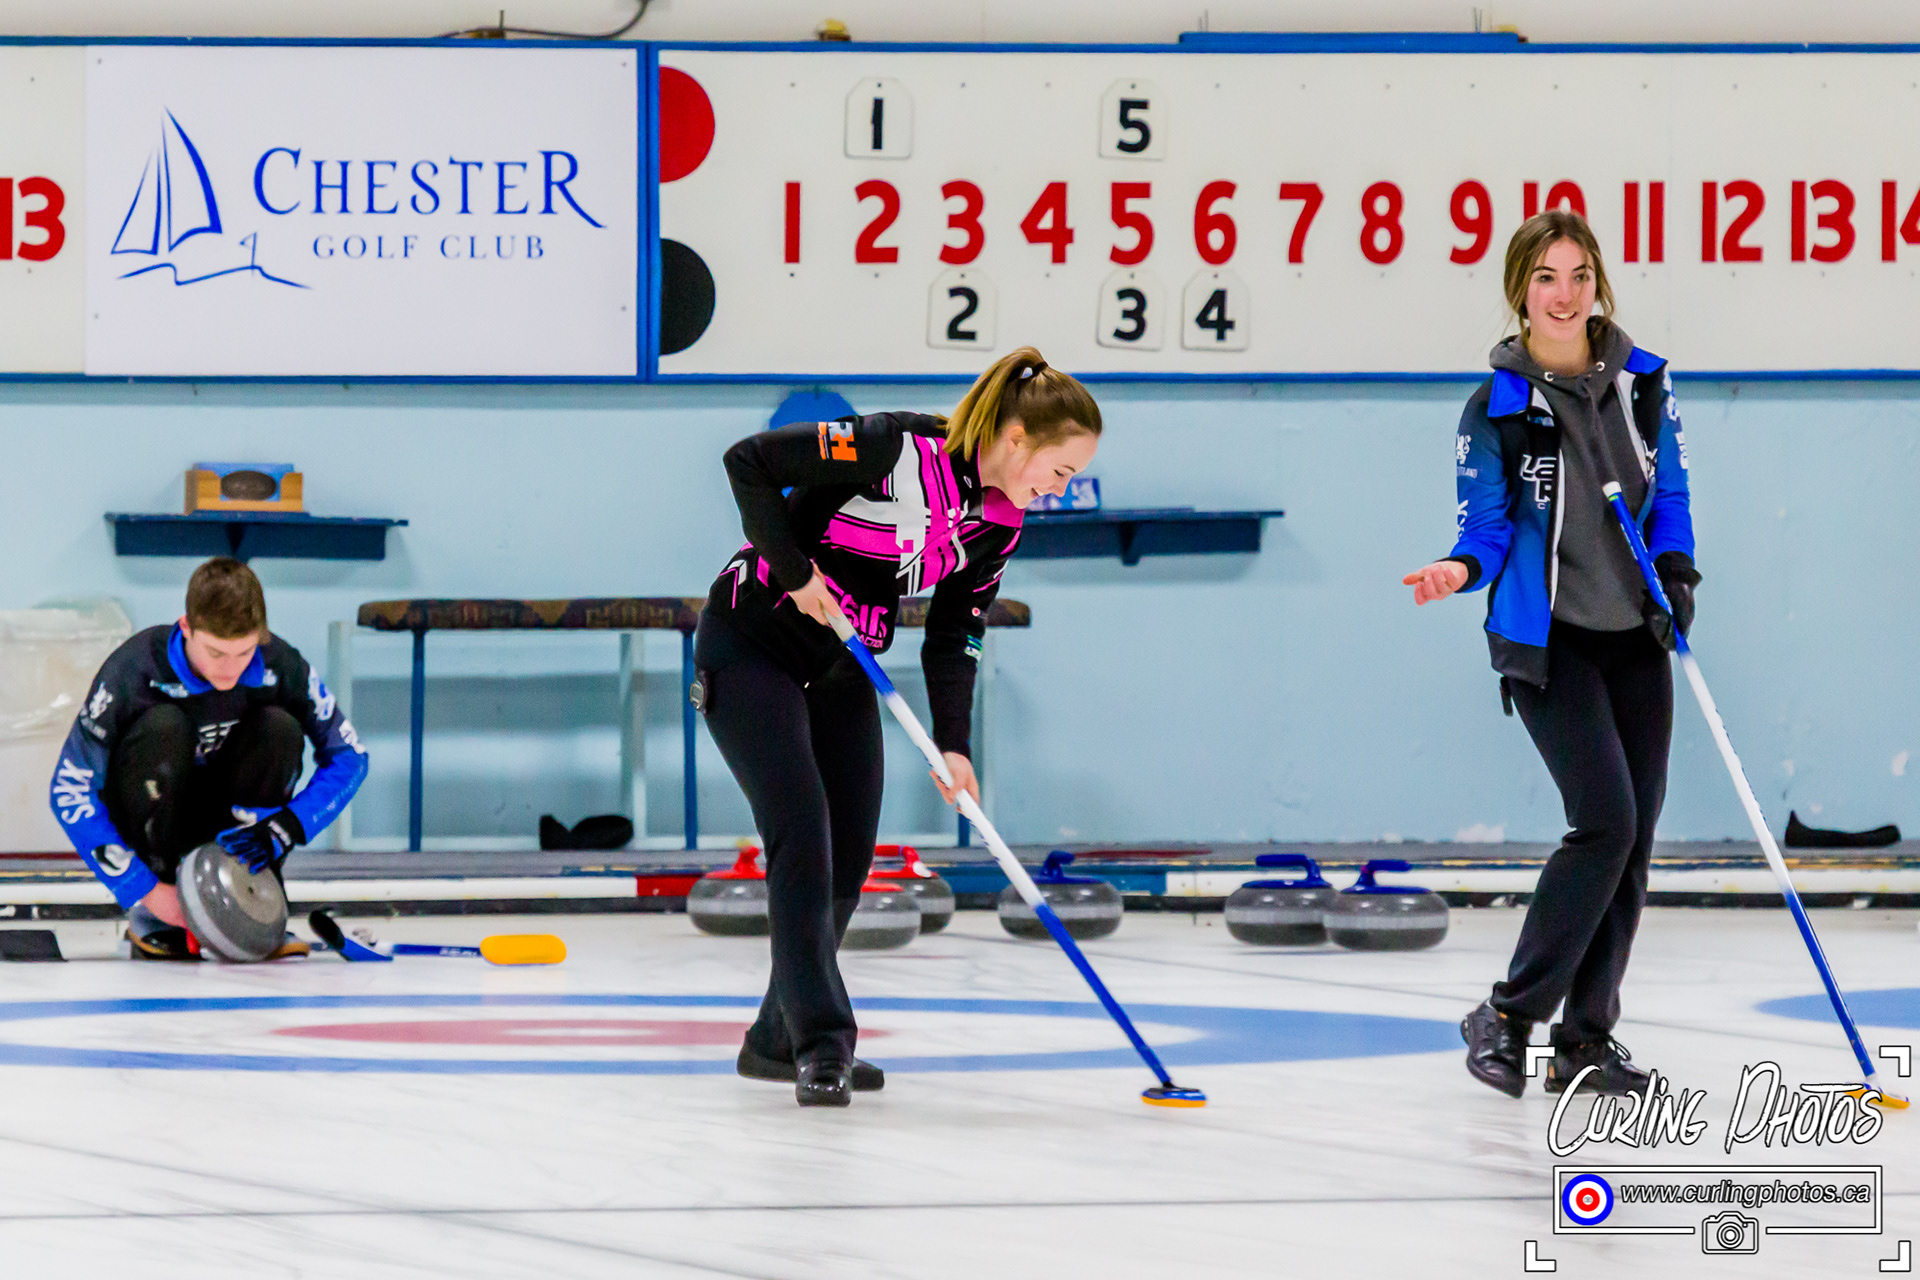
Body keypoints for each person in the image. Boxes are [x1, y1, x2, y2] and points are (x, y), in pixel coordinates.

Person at [696, 346, 1101, 1106]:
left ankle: (775, 1040)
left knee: (849, 853)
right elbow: (746, 461)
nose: (1058, 489)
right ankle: (824, 1042)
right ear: (1017, 440)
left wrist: (954, 745)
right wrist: (796, 572)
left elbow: (956, 634)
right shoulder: (893, 446)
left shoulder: (999, 526)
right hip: (753, 649)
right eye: (1060, 470)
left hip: (843, 670)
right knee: (802, 831)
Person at [1402, 210, 1699, 1099]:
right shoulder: (1496, 406)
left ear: (1597, 284)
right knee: (1603, 821)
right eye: (1544, 278)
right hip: (1548, 645)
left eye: (1576, 275)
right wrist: (1457, 571)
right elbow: (1487, 529)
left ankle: (1585, 1036)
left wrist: (1678, 573)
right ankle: (1509, 1015)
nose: (1563, 295)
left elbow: (1672, 489)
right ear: (1520, 292)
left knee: (1635, 841)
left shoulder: (1643, 384)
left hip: (1634, 638)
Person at [50, 557, 368, 960]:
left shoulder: (281, 664)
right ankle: (158, 920)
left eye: (245, 652)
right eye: (216, 653)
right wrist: (142, 888)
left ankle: (249, 894)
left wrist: (289, 826)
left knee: (280, 730)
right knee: (163, 728)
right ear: (186, 628)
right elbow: (68, 788)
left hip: (232, 826)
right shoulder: (132, 670)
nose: (230, 669)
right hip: (155, 814)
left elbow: (351, 756)